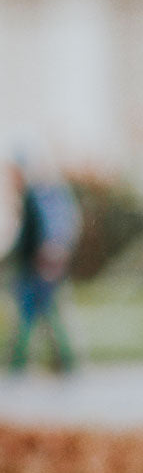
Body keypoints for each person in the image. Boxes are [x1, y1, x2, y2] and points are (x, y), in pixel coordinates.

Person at [7, 157, 80, 373]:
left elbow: (41, 233)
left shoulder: (37, 196)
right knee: (42, 314)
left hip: (39, 266)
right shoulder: (39, 196)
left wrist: (47, 257)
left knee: (38, 314)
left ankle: (57, 362)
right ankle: (61, 362)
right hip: (36, 265)